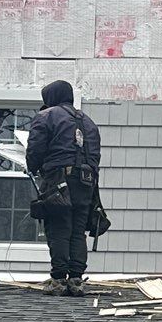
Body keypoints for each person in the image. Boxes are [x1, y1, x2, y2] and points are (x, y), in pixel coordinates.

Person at [26, 79, 101, 296]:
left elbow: (35, 151)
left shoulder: (46, 116)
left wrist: (35, 168)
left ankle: (58, 279)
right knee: (78, 230)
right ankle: (76, 279)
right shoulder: (89, 122)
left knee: (58, 227)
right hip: (86, 182)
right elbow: (95, 156)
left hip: (58, 179)